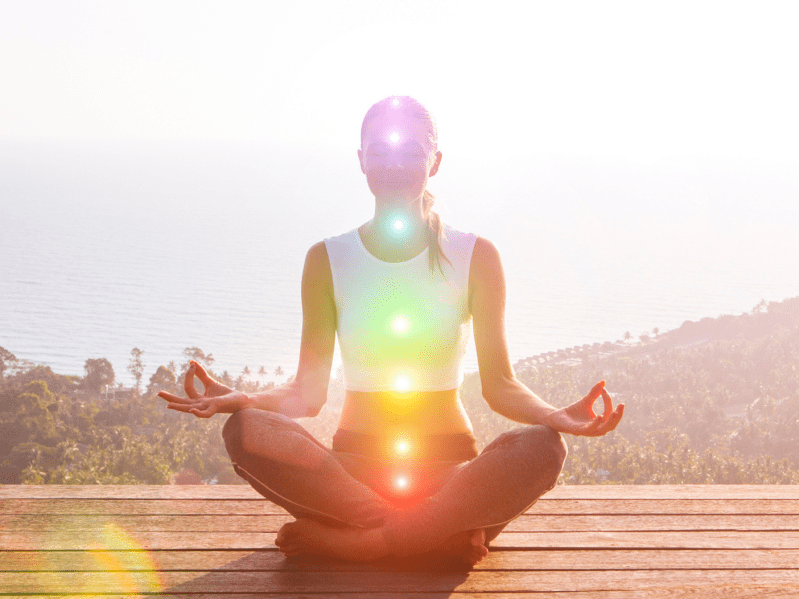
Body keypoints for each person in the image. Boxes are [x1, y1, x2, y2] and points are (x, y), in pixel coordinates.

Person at [158, 95, 624, 566]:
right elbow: (307, 394)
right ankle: (430, 537)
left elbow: (500, 385)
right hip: (350, 480)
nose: (393, 165)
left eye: (410, 152)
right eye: (379, 151)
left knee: (544, 447)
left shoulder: (476, 256)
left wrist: (555, 416)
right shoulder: (327, 259)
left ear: (435, 161)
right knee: (246, 430)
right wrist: (244, 399)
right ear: (361, 160)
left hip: (448, 478)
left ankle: (361, 543)